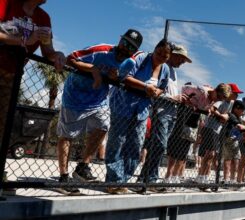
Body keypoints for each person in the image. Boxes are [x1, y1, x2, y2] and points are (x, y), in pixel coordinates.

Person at [56, 29, 143, 194]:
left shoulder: (129, 63)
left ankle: (83, 165)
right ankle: (63, 177)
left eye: (131, 47)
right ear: (119, 40)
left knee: (103, 126)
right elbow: (70, 59)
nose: (126, 48)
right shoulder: (101, 49)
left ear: (135, 51)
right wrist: (93, 70)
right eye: (124, 43)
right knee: (68, 135)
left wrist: (114, 77)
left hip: (98, 99)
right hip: (75, 96)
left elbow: (119, 79)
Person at [105, 39, 171, 194]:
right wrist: (145, 87)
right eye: (159, 53)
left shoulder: (165, 69)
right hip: (123, 105)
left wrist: (156, 92)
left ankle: (123, 180)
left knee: (135, 145)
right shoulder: (140, 57)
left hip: (142, 110)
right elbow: (124, 76)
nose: (160, 57)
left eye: (165, 56)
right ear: (154, 49)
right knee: (117, 142)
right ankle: (112, 181)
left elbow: (163, 88)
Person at [0, 0, 66, 146]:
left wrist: (58, 55)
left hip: (12, 75)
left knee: (3, 124)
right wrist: (25, 40)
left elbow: (48, 51)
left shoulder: (43, 18)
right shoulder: (7, 3)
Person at [138, 43, 192, 187]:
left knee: (160, 145)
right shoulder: (161, 67)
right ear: (173, 55)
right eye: (181, 59)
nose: (182, 63)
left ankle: (146, 176)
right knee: (160, 144)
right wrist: (172, 98)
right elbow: (155, 89)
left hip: (171, 112)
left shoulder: (173, 71)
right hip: (160, 110)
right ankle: (150, 178)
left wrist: (179, 99)